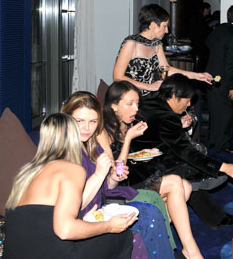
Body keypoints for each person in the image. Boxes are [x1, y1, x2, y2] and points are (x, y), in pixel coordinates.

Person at [61, 92, 177, 259]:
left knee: (152, 209)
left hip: (101, 205)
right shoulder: (65, 153)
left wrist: (113, 179)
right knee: (149, 216)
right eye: (79, 121)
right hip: (83, 218)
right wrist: (100, 174)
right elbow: (76, 206)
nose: (87, 128)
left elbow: (104, 187)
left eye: (93, 121)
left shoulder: (92, 146)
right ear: (67, 119)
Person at [97, 81, 205, 259]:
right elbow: (117, 171)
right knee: (176, 183)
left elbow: (143, 148)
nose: (135, 109)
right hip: (115, 187)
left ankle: (155, 240)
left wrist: (145, 149)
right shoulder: (103, 131)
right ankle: (190, 250)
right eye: (130, 103)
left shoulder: (127, 124)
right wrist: (129, 139)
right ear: (114, 105)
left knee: (185, 187)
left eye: (137, 103)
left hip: (132, 177)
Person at [3, 113, 134, 259]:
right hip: (53, 253)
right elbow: (65, 230)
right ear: (74, 137)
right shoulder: (72, 169)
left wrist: (83, 220)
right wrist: (110, 226)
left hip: (15, 254)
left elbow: (40, 220)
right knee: (122, 236)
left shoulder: (25, 173)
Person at [128, 74, 233, 229]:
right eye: (188, 99)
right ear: (174, 96)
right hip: (149, 169)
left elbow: (158, 129)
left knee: (196, 164)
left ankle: (216, 217)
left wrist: (177, 123)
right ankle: (212, 203)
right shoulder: (167, 117)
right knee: (200, 168)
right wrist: (223, 167)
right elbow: (185, 151)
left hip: (139, 159)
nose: (190, 104)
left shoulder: (150, 102)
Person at [113, 4, 212, 97]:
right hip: (131, 98)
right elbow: (117, 77)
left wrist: (197, 75)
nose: (167, 31)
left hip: (151, 98)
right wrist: (149, 87)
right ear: (153, 25)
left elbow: (167, 70)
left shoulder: (157, 44)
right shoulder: (131, 43)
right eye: (164, 26)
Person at [205, 4, 233, 152]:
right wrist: (232, 87)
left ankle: (212, 143)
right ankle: (223, 146)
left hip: (211, 78)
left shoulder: (220, 28)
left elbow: (208, 43)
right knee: (225, 114)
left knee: (215, 113)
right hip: (224, 81)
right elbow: (231, 65)